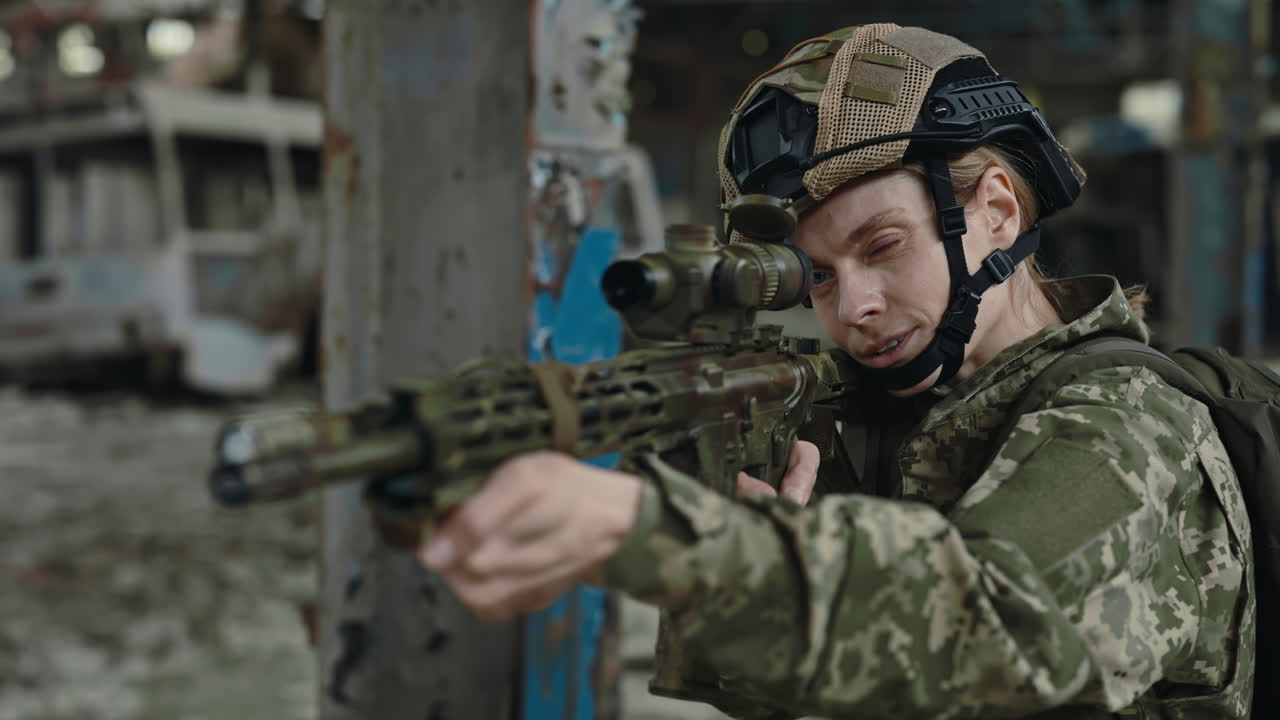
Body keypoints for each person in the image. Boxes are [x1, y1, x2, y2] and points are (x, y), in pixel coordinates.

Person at [416, 23, 1255, 719]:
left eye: (882, 247)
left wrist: (661, 536)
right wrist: (762, 566)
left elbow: (990, 622)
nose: (852, 306)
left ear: (997, 211)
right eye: (814, 275)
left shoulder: (1129, 420)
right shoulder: (891, 410)